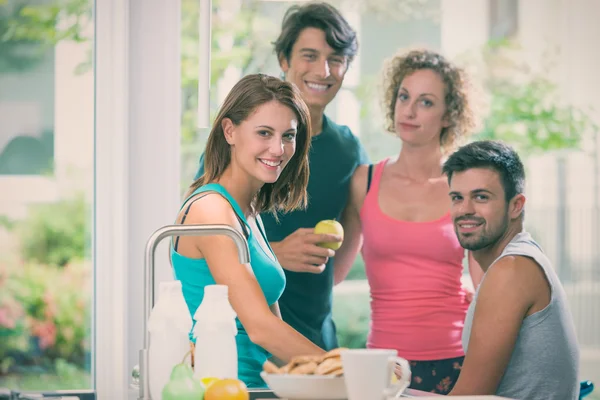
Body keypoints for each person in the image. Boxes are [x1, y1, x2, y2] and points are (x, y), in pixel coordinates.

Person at [194, 2, 369, 351]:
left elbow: (354, 226)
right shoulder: (240, 151)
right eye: (309, 55)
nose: (323, 69)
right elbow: (202, 242)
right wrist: (274, 254)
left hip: (314, 331)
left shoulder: (348, 149)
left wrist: (327, 279)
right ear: (285, 60)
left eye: (336, 58)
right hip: (239, 335)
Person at [335, 48, 484, 394]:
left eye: (426, 102)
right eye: (404, 96)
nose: (410, 110)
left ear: (450, 115)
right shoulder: (364, 181)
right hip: (383, 365)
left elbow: (486, 285)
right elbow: (335, 273)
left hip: (456, 359)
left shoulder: (463, 186)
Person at [172, 74, 325, 389]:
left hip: (254, 387)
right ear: (230, 131)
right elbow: (259, 328)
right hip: (218, 388)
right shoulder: (211, 211)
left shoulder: (247, 213)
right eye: (264, 133)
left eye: (288, 135)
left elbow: (273, 337)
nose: (278, 148)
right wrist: (345, 367)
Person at [443, 140, 580, 400]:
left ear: (516, 205)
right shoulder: (515, 260)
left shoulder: (512, 269)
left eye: (481, 197)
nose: (465, 210)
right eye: (457, 198)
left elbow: (469, 397)